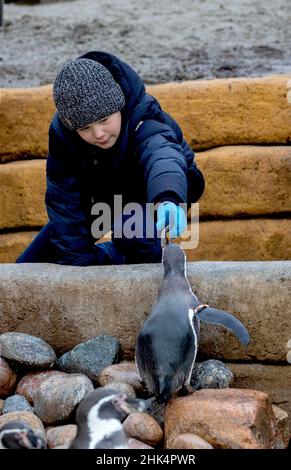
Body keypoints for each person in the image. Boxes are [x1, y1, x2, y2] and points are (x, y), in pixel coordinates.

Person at [16, 51, 204, 266]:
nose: (99, 134)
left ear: (119, 106)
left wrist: (168, 197)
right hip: (104, 191)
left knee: (132, 232)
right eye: (85, 127)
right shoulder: (63, 135)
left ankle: (139, 262)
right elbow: (63, 199)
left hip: (162, 191)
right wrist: (79, 268)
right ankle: (111, 261)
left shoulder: (144, 115)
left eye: (104, 120)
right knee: (34, 261)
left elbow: (162, 156)